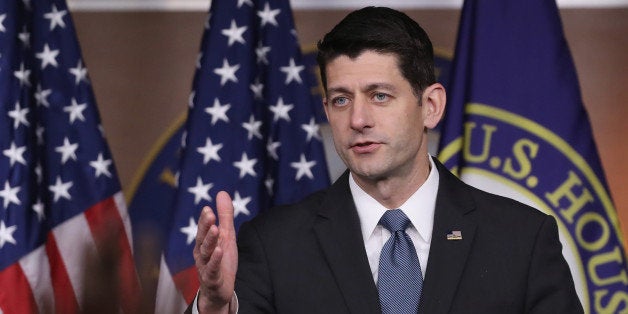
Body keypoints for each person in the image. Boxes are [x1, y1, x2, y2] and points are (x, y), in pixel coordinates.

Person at [188, 6, 583, 314]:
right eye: (341, 100)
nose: (357, 120)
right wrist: (215, 306)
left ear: (430, 106)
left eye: (379, 96)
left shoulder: (522, 240)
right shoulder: (274, 244)